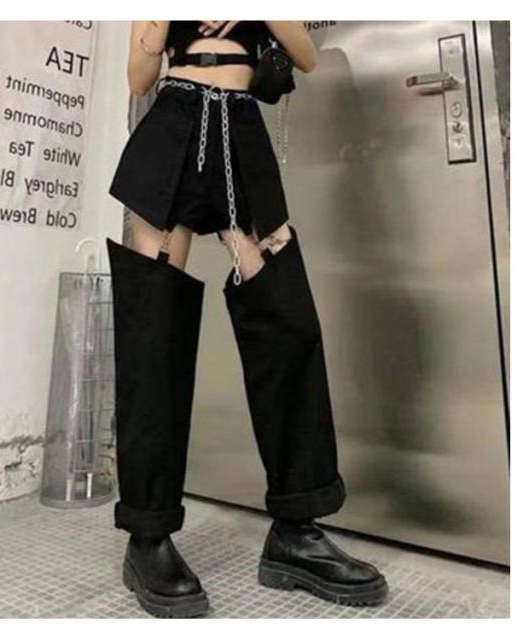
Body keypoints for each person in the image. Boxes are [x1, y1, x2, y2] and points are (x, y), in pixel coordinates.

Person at [106, 20, 388, 618]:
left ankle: (295, 529)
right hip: (173, 128)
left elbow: (306, 56)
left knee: (287, 325)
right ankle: (148, 535)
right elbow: (138, 79)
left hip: (240, 131)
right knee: (153, 331)